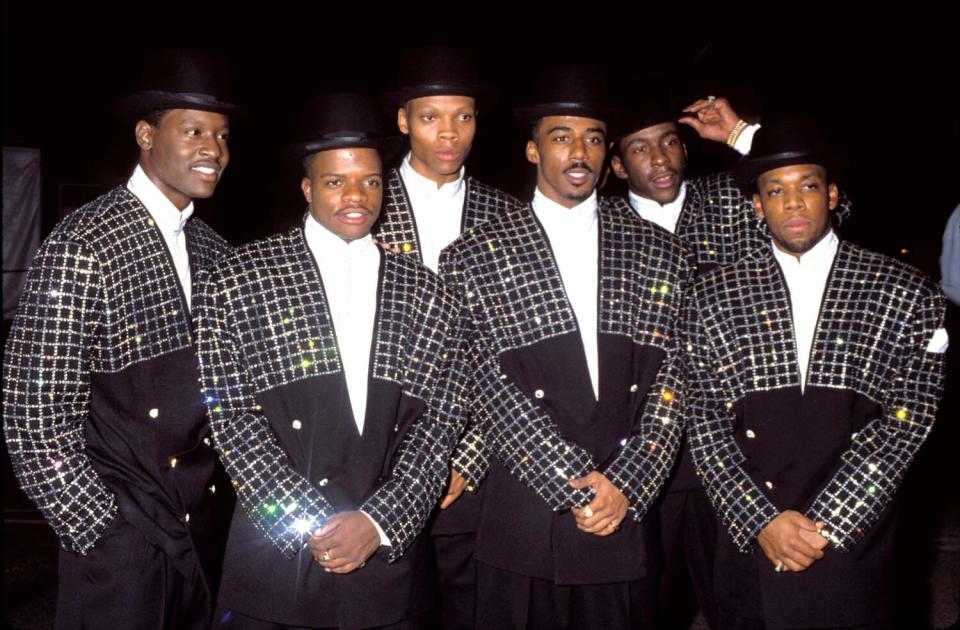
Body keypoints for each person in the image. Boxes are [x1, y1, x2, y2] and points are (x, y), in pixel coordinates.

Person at [195, 93, 467, 629]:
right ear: (306, 186)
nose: (357, 196)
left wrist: (379, 522)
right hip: (277, 560)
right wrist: (310, 525)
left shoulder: (430, 292)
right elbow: (229, 415)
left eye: (370, 181)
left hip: (391, 565)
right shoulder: (240, 277)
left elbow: (442, 419)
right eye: (335, 181)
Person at [439, 65, 690, 629]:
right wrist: (569, 481)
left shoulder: (660, 252)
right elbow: (484, 382)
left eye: (594, 139)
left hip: (625, 508)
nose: (580, 152)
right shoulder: (474, 255)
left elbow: (676, 378)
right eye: (562, 137)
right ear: (533, 151)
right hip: (524, 514)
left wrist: (628, 481)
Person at [3, 48, 235, 629]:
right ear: (145, 135)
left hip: (198, 532)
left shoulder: (212, 249)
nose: (213, 149)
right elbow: (31, 411)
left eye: (222, 135)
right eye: (194, 131)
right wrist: (100, 531)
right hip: (123, 546)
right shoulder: (87, 240)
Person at [684, 118, 948, 629]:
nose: (794, 204)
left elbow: (907, 420)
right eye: (775, 191)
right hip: (751, 537)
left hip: (856, 536)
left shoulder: (904, 292)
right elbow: (704, 420)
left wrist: (831, 522)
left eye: (807, 186)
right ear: (757, 206)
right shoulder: (711, 296)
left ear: (831, 194)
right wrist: (761, 519)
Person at [608, 94, 855, 628]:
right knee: (646, 603)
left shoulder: (730, 199)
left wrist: (745, 134)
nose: (660, 158)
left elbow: (832, 208)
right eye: (641, 147)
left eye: (670, 142)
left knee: (745, 600)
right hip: (644, 450)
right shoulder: (599, 228)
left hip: (741, 450)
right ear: (617, 164)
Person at [374, 46, 520, 629]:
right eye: (431, 116)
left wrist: (470, 454)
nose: (449, 133)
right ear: (404, 120)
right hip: (378, 455)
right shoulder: (360, 200)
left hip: (476, 460)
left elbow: (513, 350)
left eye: (464, 116)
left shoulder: (509, 217)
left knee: (475, 610)